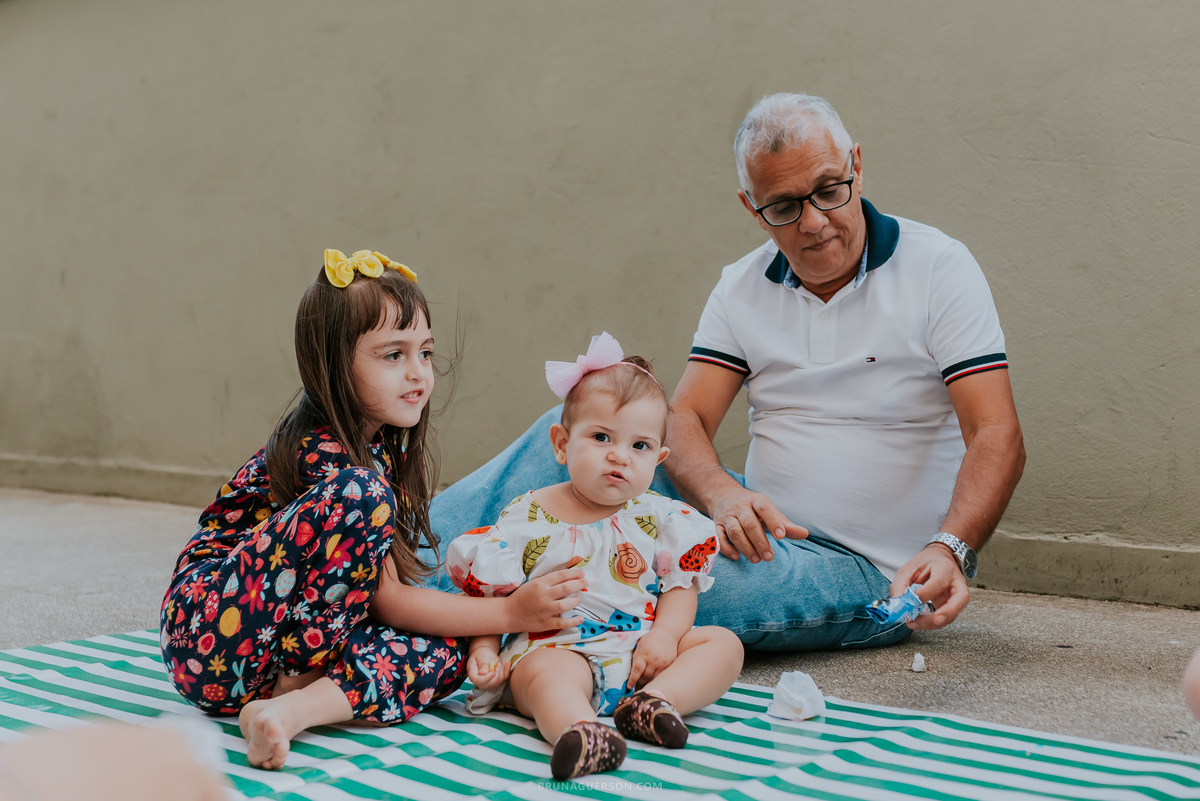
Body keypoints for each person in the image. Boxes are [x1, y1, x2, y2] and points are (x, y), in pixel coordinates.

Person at [429, 93, 1025, 652]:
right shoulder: (742, 285)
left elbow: (996, 433)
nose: (813, 222)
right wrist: (722, 493)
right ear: (752, 208)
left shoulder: (938, 268)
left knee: (650, 581)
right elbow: (685, 416)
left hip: (866, 568)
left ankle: (434, 611)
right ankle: (390, 566)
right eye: (785, 207)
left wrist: (951, 548)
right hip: (755, 526)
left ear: (857, 168)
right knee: (574, 435)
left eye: (828, 190)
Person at [161, 249, 586, 770]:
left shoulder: (383, 447)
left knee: (453, 649)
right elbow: (388, 602)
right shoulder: (319, 450)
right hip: (210, 633)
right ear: (334, 364)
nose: (418, 373)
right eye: (393, 355)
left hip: (271, 656)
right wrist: (509, 613)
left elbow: (379, 599)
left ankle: (289, 710)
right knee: (365, 497)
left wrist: (483, 632)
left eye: (425, 353)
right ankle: (299, 685)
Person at [448, 333, 742, 781]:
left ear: (659, 458)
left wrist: (665, 636)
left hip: (640, 656)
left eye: (640, 446)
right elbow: (491, 595)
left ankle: (655, 702)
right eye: (601, 437)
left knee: (722, 645)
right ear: (562, 443)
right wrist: (486, 652)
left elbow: (680, 586)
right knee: (545, 675)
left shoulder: (663, 518)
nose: (619, 457)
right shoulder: (528, 517)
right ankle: (580, 730)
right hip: (558, 649)